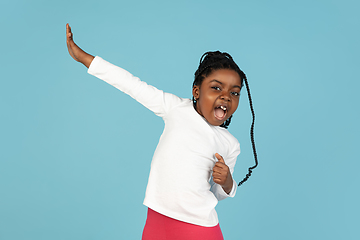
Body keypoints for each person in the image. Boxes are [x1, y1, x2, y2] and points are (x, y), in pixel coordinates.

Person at [66, 23, 258, 240]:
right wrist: (84, 58)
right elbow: (132, 85)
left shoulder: (230, 143)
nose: (226, 96)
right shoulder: (175, 108)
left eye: (234, 93)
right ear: (196, 90)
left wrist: (226, 181)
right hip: (157, 221)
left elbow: (218, 194)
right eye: (216, 87)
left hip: (199, 228)